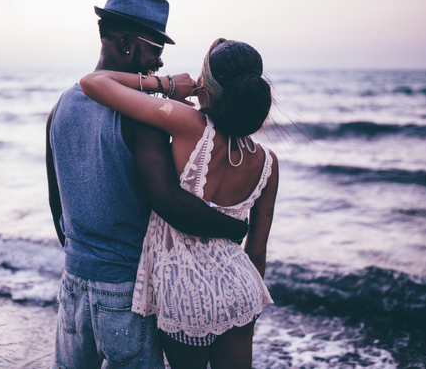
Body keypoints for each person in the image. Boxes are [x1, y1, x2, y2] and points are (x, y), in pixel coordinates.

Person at [46, 0, 248, 368]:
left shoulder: (61, 105)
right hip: (125, 293)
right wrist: (234, 227)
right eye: (154, 50)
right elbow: (166, 200)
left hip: (72, 283)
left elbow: (56, 202)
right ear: (124, 43)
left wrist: (82, 256)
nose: (157, 63)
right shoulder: (142, 120)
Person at [79, 38, 279, 369]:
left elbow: (93, 82)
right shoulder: (268, 162)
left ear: (209, 87)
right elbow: (256, 251)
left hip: (185, 289)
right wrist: (244, 303)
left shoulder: (187, 122)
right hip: (243, 287)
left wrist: (167, 84)